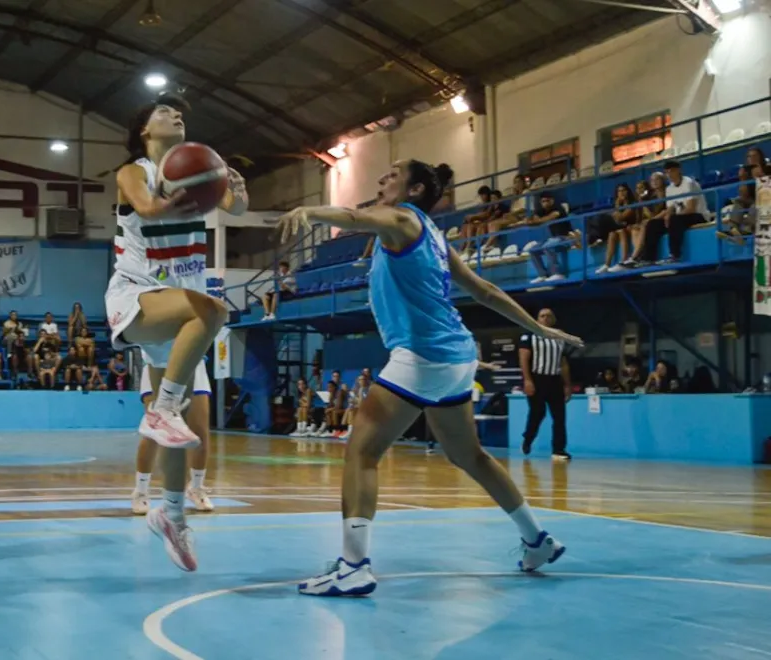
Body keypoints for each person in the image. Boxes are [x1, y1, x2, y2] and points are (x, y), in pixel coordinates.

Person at [276, 160, 583, 597]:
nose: (383, 176)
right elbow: (485, 291)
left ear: (414, 189)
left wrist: (312, 211)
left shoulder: (400, 218)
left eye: (392, 173)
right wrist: (541, 329)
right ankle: (537, 540)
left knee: (361, 452)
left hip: (423, 354)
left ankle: (353, 566)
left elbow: (356, 218)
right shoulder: (435, 236)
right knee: (470, 456)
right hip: (457, 354)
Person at [106, 92, 247, 572]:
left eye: (179, 111)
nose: (176, 115)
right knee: (213, 312)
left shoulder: (198, 166)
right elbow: (146, 209)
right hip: (137, 293)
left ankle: (173, 514)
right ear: (145, 130)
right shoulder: (133, 171)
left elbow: (236, 207)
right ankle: (161, 408)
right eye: (164, 112)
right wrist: (188, 196)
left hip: (178, 307)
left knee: (183, 427)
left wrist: (233, 189)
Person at [132, 361, 214, 515]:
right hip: (157, 361)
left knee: (201, 432)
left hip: (193, 364)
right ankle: (141, 491)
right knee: (154, 431)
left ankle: (196, 487)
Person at [519, 308, 573, 461]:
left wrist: (567, 385)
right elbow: (523, 358)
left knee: (559, 416)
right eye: (542, 316)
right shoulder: (529, 335)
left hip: (555, 379)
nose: (546, 318)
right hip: (537, 378)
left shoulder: (559, 337)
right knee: (538, 413)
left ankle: (559, 450)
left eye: (549, 316)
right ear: (537, 320)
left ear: (554, 319)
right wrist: (527, 380)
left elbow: (563, 363)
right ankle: (528, 438)